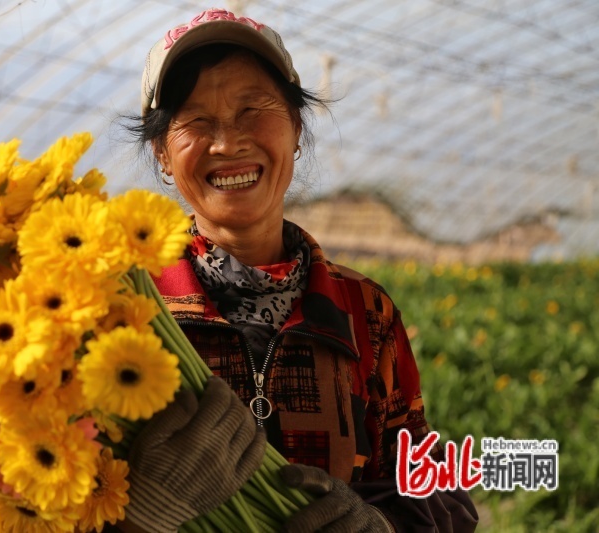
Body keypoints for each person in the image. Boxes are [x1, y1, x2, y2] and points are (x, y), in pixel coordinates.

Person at [121, 8, 479, 533]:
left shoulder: (364, 311)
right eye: (196, 121)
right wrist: (138, 519)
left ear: (296, 130)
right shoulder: (126, 311)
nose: (227, 142)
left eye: (252, 110)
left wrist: (382, 525)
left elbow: (437, 492)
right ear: (162, 155)